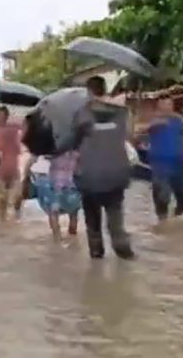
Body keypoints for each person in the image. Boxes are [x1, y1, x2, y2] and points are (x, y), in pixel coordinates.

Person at [73, 76, 135, 260]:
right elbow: (130, 135)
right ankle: (123, 250)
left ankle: (97, 253)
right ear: (104, 89)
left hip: (89, 174)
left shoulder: (81, 114)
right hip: (116, 173)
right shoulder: (123, 112)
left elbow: (73, 141)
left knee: (92, 221)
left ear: (89, 91)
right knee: (115, 216)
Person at [142, 95, 183, 221]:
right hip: (160, 165)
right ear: (159, 106)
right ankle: (162, 222)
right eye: (163, 105)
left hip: (179, 164)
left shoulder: (180, 121)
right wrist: (152, 125)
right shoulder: (152, 120)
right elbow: (136, 132)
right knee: (162, 197)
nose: (167, 108)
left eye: (169, 105)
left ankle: (178, 218)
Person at [29, 151, 81, 241]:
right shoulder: (76, 144)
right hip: (73, 183)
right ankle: (73, 237)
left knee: (53, 212)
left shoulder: (53, 145)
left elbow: (36, 157)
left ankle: (57, 240)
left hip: (55, 184)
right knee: (74, 212)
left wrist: (27, 172)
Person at [0, 106, 24, 222]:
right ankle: (2, 222)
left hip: (12, 166)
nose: (1, 119)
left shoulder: (12, 127)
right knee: (1, 200)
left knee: (17, 197)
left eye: (3, 116)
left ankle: (16, 218)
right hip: (0, 168)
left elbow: (25, 125)